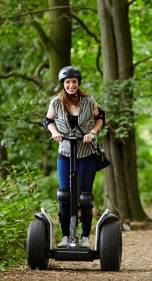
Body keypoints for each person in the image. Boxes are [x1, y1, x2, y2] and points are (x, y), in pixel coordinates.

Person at [43, 66, 104, 248]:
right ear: (63, 84)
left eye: (74, 82)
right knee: (64, 195)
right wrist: (54, 132)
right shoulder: (55, 103)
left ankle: (85, 236)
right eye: (68, 82)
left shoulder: (88, 101)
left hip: (86, 154)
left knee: (85, 197)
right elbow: (48, 121)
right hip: (65, 154)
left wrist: (92, 132)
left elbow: (101, 117)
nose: (71, 85)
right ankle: (66, 236)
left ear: (78, 83)